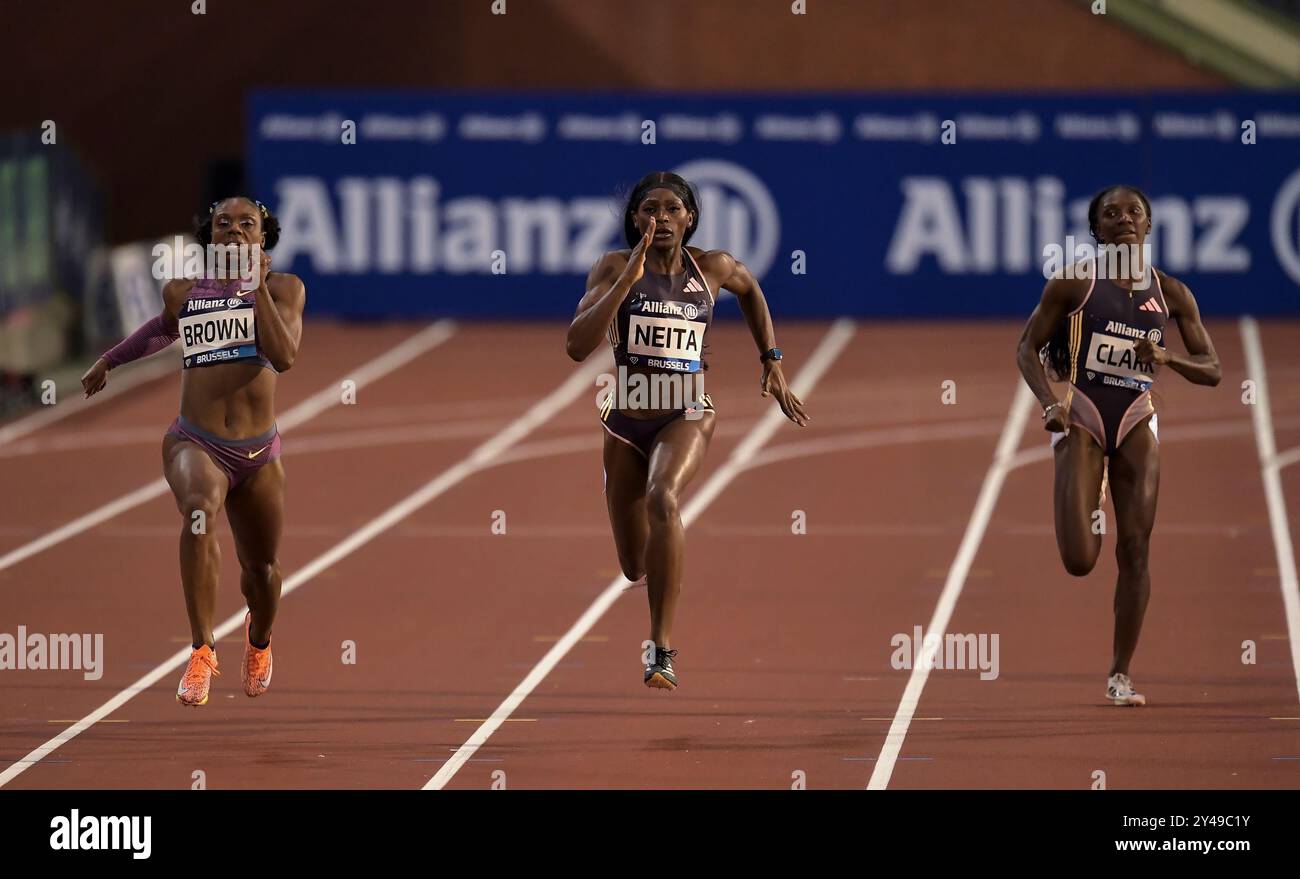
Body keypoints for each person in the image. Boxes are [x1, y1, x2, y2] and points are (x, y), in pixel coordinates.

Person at [565, 171, 809, 690]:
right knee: (633, 567)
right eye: (650, 210)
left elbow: (751, 290)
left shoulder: (712, 267)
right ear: (635, 220)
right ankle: (632, 518)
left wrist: (772, 359)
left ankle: (661, 649)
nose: (662, 218)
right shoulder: (611, 267)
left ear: (690, 218)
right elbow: (577, 345)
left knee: (664, 498)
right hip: (627, 417)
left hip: (687, 409)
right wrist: (627, 281)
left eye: (673, 209)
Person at [81, 197, 306, 706]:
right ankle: (202, 648)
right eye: (223, 224)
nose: (233, 231)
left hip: (258, 454)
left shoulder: (284, 289)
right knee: (200, 508)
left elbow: (284, 355)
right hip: (195, 441)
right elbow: (162, 327)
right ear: (210, 235)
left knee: (263, 574)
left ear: (263, 236)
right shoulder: (185, 292)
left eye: (246, 224)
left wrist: (253, 288)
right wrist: (110, 360)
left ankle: (259, 639)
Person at [1015, 184, 1220, 706]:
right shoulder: (1074, 283)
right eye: (1111, 213)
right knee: (1081, 560)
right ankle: (1080, 477)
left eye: (1134, 211)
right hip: (1082, 416)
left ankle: (1120, 673)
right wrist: (1049, 404)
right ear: (1096, 230)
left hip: (1136, 418)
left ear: (1149, 225)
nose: (1124, 218)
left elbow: (1214, 370)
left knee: (1135, 547)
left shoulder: (1171, 292)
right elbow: (1026, 347)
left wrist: (1168, 359)